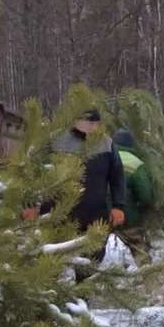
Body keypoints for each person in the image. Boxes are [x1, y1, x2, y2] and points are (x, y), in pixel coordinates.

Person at [24, 110, 126, 263]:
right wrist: (29, 205)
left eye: (95, 124)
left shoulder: (107, 143)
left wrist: (118, 206)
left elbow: (117, 176)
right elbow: (32, 173)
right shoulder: (54, 140)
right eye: (87, 123)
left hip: (94, 218)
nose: (91, 128)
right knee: (52, 265)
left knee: (90, 264)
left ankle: (85, 282)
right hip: (56, 216)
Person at [111, 128, 155, 236]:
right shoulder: (137, 164)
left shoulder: (101, 158)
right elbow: (145, 196)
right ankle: (137, 246)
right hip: (127, 217)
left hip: (99, 217)